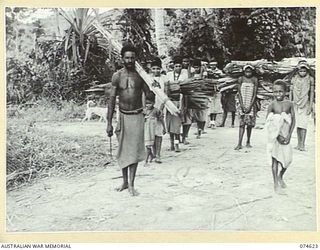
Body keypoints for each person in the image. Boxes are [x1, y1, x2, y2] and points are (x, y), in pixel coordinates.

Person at [107, 43, 151, 196]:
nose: (130, 60)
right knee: (124, 151)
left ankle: (132, 184)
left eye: (132, 58)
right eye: (127, 58)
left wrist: (153, 86)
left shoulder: (141, 76)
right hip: (123, 116)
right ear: (122, 59)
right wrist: (109, 123)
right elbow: (112, 100)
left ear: (135, 59)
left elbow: (150, 96)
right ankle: (125, 182)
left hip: (137, 116)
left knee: (134, 151)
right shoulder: (117, 76)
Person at [265, 80, 295, 193]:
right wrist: (277, 136)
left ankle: (280, 175)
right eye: (275, 92)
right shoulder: (272, 105)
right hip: (275, 137)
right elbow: (268, 123)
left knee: (287, 160)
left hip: (286, 135)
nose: (278, 94)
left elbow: (293, 121)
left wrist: (289, 136)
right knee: (275, 160)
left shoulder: (289, 104)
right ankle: (275, 183)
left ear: (285, 92)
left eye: (280, 92)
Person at [290, 62, 315, 151]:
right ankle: (298, 143)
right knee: (298, 124)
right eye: (301, 70)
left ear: (307, 71)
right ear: (298, 71)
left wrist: (310, 105)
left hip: (305, 103)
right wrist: (290, 102)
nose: (302, 72)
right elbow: (291, 91)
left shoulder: (310, 79)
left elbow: (311, 92)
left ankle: (303, 145)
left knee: (303, 124)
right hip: (296, 103)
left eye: (304, 71)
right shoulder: (294, 79)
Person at [166, 56, 188, 151]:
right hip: (169, 102)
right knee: (170, 124)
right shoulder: (168, 75)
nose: (178, 68)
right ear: (173, 67)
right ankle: (171, 143)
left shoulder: (184, 76)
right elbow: (166, 88)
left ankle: (176, 144)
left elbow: (184, 90)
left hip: (179, 101)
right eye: (176, 66)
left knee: (177, 125)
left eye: (179, 66)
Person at [234, 65, 258, 150]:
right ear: (244, 72)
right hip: (242, 104)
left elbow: (254, 94)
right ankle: (239, 143)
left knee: (249, 125)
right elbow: (239, 93)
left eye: (250, 71)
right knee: (241, 124)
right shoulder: (241, 79)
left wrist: (250, 106)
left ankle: (248, 141)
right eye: (246, 71)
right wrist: (242, 105)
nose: (248, 73)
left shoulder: (254, 79)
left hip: (251, 105)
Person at [150, 57, 167, 163]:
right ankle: (153, 152)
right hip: (151, 106)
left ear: (161, 69)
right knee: (151, 131)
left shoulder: (164, 79)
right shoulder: (148, 78)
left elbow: (166, 93)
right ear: (151, 69)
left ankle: (158, 154)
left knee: (159, 131)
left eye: (158, 68)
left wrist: (162, 107)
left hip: (161, 105)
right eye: (154, 68)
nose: (156, 71)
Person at [144, 94, 166, 166]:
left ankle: (158, 155)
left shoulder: (156, 110)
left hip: (157, 126)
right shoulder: (144, 111)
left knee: (158, 140)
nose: (148, 105)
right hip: (149, 128)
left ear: (153, 103)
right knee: (150, 142)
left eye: (149, 103)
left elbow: (161, 119)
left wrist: (164, 128)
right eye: (146, 103)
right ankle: (152, 154)